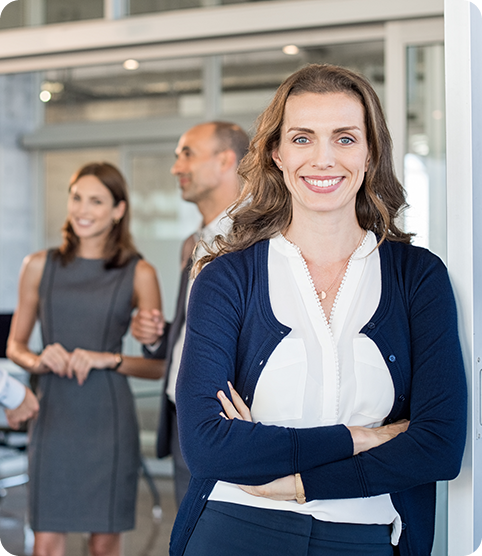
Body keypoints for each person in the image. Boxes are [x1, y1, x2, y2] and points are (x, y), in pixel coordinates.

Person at [170, 64, 467, 556]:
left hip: (367, 537)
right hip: (234, 528)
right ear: (277, 154)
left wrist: (298, 480)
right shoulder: (226, 278)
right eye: (303, 138)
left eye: (345, 138)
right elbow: (205, 446)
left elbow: (439, 446)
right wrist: (364, 437)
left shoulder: (418, 277)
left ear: (371, 153)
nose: (323, 159)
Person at [6, 162, 164, 556]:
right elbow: (15, 347)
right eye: (77, 198)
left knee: (105, 543)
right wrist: (40, 360)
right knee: (45, 541)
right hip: (53, 414)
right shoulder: (38, 266)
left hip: (108, 421)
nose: (83, 209)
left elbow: (159, 366)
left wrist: (106, 358)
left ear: (118, 210)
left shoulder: (140, 272)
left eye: (97, 200)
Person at [130, 121, 250, 508]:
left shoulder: (258, 238)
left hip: (230, 424)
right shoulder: (192, 243)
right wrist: (155, 338)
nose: (176, 168)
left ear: (225, 161)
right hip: (186, 417)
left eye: (187, 154)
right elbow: (195, 333)